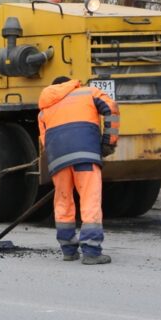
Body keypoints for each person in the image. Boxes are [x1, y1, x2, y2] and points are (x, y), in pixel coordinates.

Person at [38, 76, 119, 265]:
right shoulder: (87, 92)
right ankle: (91, 252)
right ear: (71, 84)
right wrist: (108, 141)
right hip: (85, 155)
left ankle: (68, 250)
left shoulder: (44, 110)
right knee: (90, 200)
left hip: (58, 160)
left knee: (63, 202)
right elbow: (112, 108)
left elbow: (44, 141)